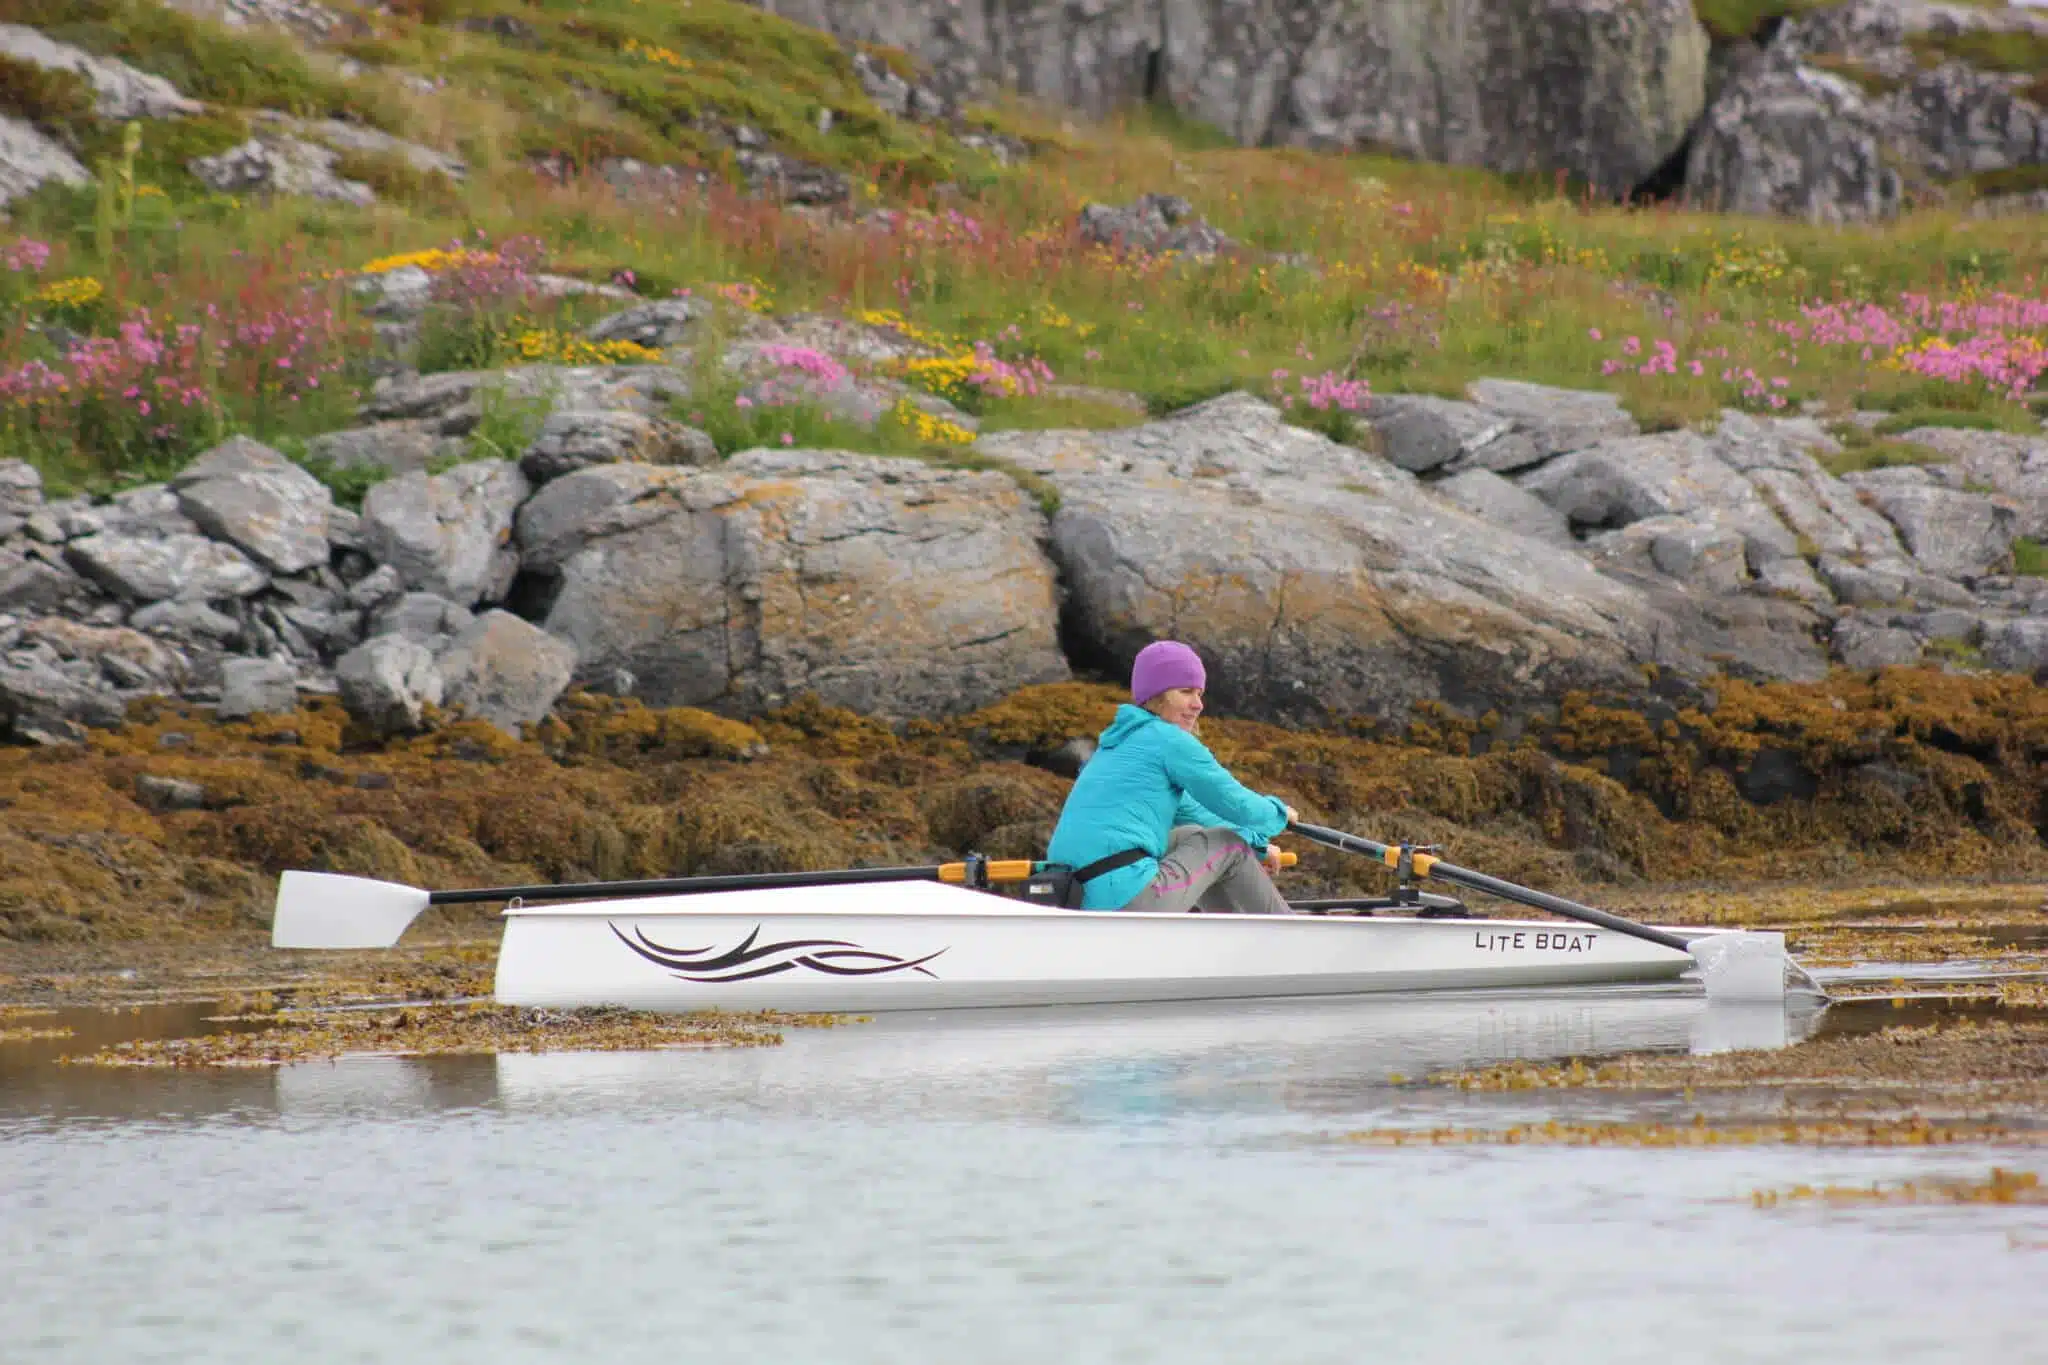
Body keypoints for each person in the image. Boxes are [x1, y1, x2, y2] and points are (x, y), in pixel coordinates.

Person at [1045, 640, 1298, 914]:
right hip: (1124, 895)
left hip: (1074, 897)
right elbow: (1236, 804)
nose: (1198, 704)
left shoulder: (1113, 746)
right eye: (1186, 692)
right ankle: (1289, 933)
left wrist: (1258, 845)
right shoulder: (1168, 741)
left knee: (1191, 834)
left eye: (1200, 694)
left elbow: (1200, 814)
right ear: (1157, 695)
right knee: (1229, 845)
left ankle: (1233, 933)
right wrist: (1279, 814)